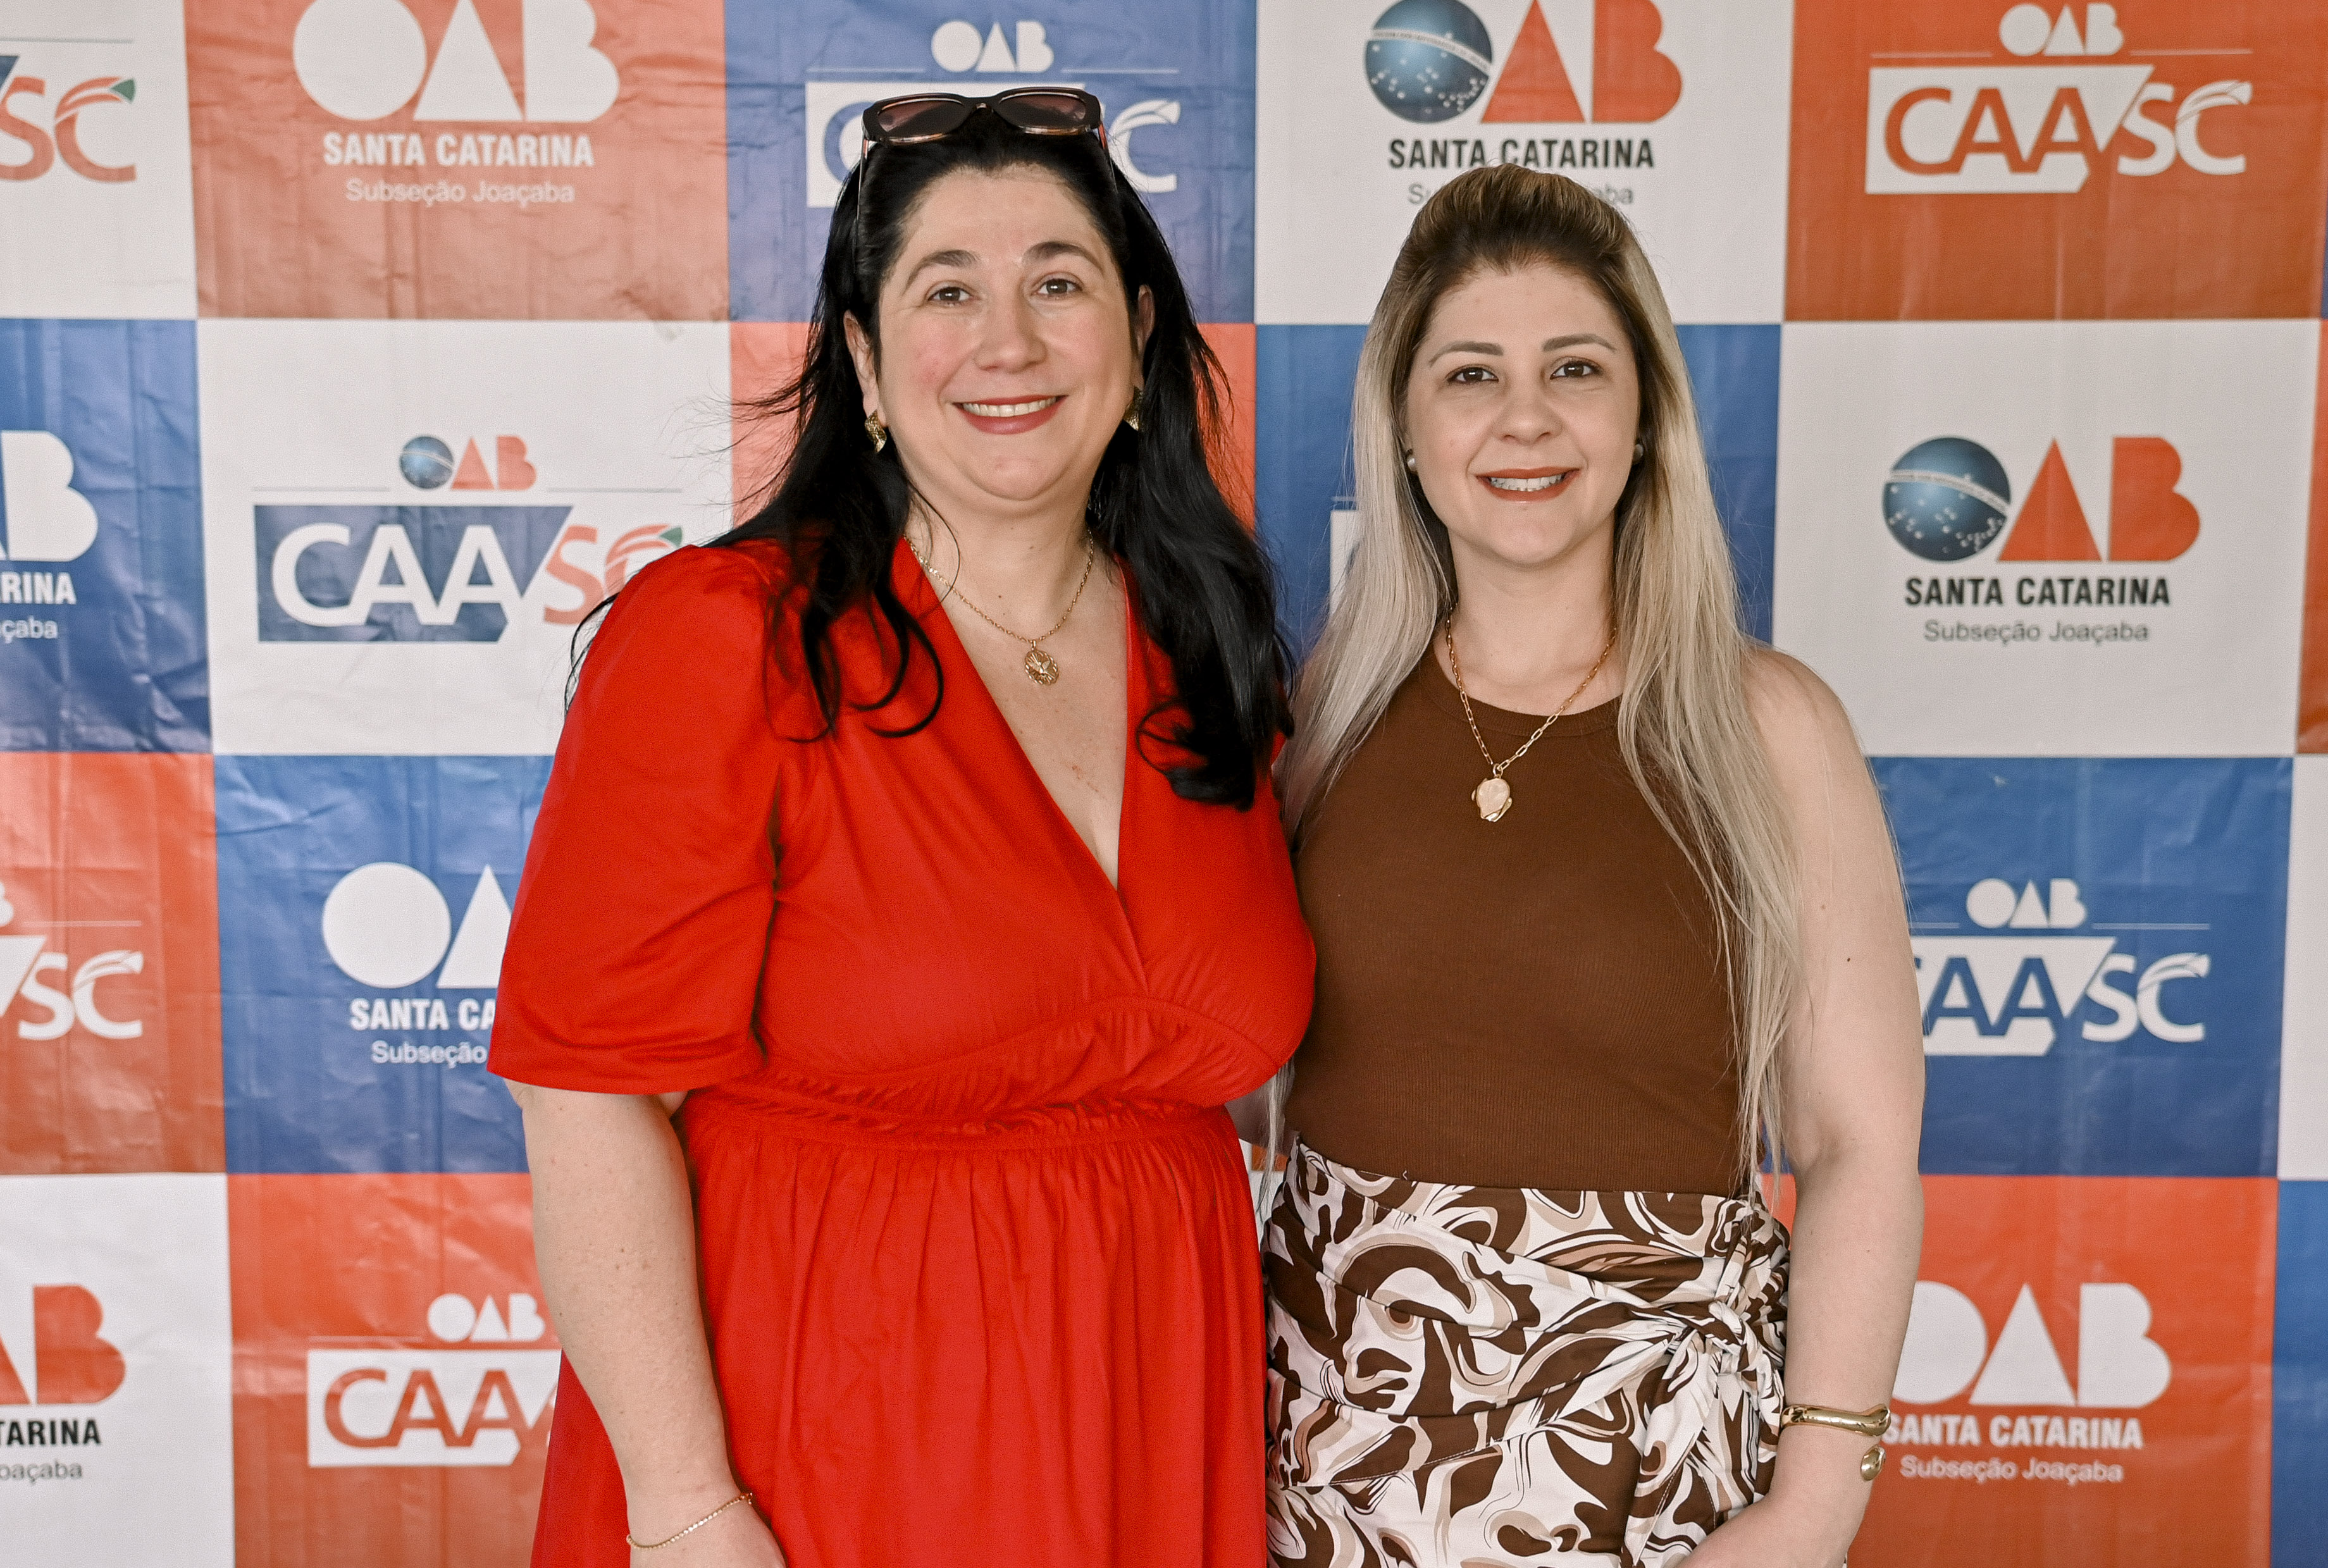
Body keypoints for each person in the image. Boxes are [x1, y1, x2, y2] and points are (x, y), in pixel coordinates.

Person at [490, 89, 1313, 1568]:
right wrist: (686, 1510)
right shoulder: (725, 637)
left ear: (1136, 337)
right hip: (828, 1434)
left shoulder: (1209, 648)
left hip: (1143, 1420)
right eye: (947, 291)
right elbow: (587, 1097)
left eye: (1056, 282)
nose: (1008, 341)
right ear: (865, 360)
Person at [1261, 164, 1925, 1567]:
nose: (1525, 418)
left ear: (1646, 418)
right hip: (1333, 1465)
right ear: (1404, 430)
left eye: (1575, 367)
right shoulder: (1324, 716)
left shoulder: (1771, 727)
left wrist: (1814, 1507)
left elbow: (1858, 1146)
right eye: (1471, 375)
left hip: (1657, 1479)